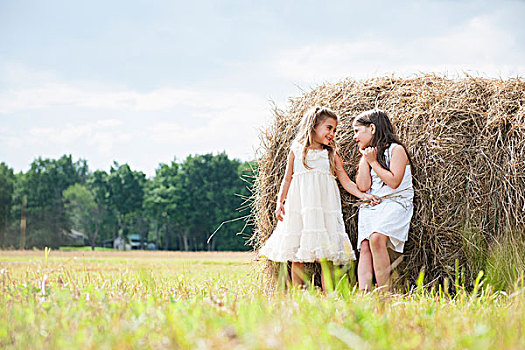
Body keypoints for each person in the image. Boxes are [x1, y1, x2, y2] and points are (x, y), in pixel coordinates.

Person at [259, 106, 379, 291]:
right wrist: (279, 201)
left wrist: (363, 195)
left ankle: (328, 295)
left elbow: (345, 181)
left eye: (334, 130)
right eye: (329, 128)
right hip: (301, 207)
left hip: (325, 209)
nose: (332, 133)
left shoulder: (330, 153)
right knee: (298, 253)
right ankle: (297, 295)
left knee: (327, 255)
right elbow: (287, 178)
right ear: (313, 126)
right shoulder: (297, 150)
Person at [353, 109, 414, 292]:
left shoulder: (397, 150)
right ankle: (364, 292)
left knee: (377, 238)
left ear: (371, 128)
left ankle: (383, 292)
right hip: (373, 204)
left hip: (395, 201)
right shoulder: (367, 154)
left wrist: (373, 163)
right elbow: (363, 186)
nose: (354, 137)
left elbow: (394, 182)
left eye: (357, 131)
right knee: (365, 245)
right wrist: (365, 159)